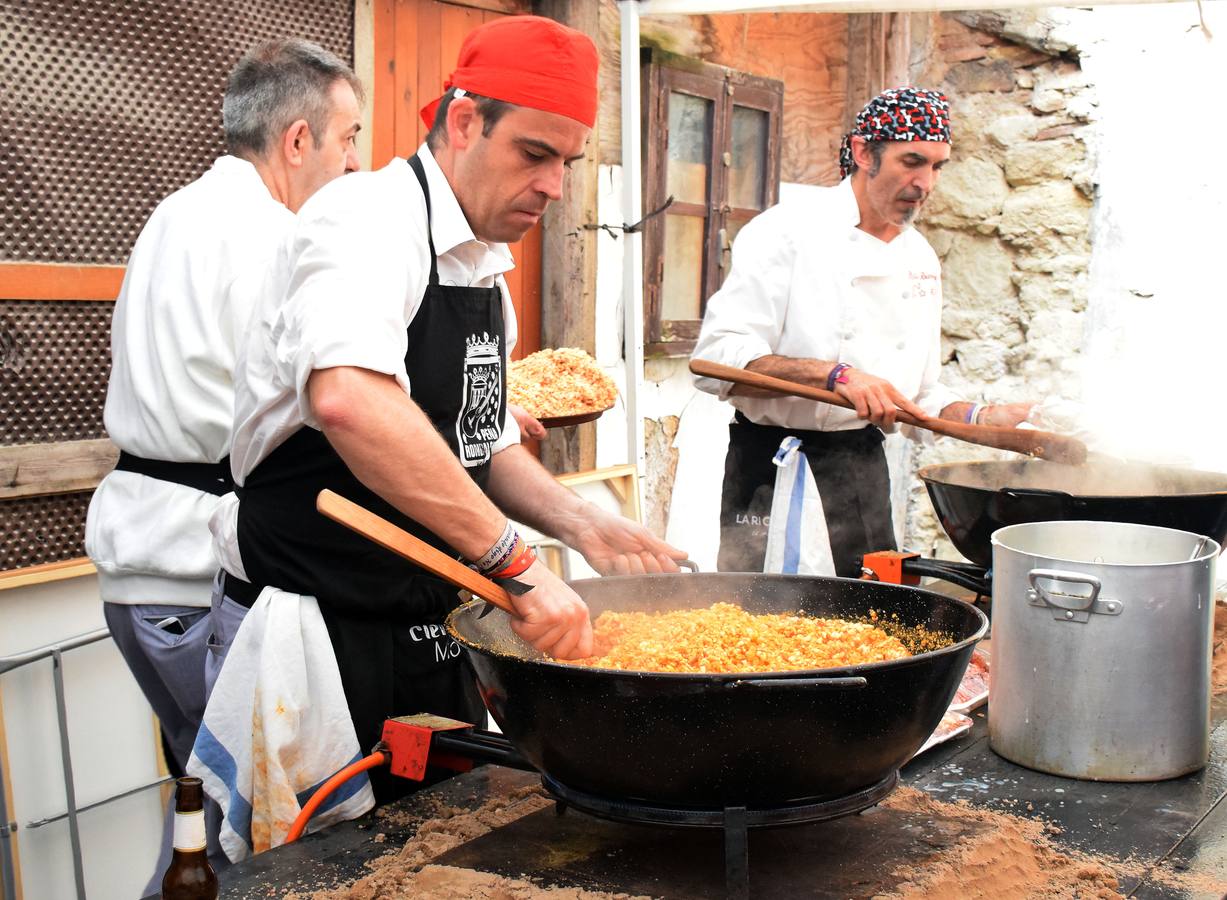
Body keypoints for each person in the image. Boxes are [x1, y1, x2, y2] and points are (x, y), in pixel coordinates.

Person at [205, 15, 685, 808]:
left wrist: (584, 525)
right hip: (317, 628)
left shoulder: (485, 279)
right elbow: (349, 401)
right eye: (534, 154)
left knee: (438, 849)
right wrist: (516, 564)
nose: (554, 187)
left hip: (432, 623)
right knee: (309, 868)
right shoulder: (364, 219)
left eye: (567, 162)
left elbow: (481, 448)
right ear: (463, 121)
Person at [84, 37, 362, 886]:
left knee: (204, 812)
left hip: (138, 561)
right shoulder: (270, 236)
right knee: (259, 834)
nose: (357, 164)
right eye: (349, 138)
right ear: (297, 142)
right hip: (192, 564)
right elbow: (308, 403)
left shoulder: (174, 211)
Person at [691, 87, 1030, 578]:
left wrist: (986, 416)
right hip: (774, 467)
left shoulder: (919, 257)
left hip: (862, 468)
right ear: (863, 152)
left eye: (937, 166)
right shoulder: (786, 232)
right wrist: (836, 375)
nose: (925, 182)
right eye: (911, 161)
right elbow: (716, 361)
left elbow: (917, 395)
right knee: (764, 624)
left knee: (874, 617)